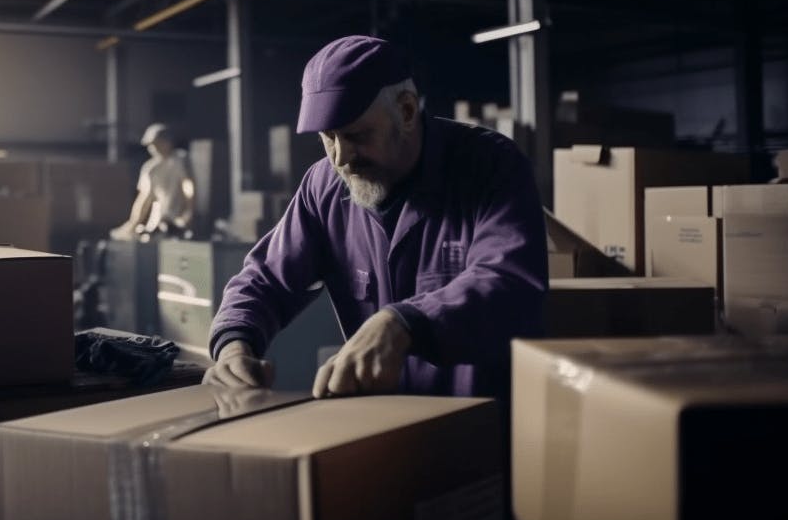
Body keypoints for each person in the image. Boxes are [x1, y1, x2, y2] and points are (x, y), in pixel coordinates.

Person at [202, 35, 547, 400]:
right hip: (378, 427)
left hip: (478, 426)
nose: (340, 157)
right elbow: (266, 278)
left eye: (357, 135)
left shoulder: (490, 165)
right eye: (328, 137)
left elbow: (509, 281)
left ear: (408, 110)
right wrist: (234, 344)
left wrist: (404, 324)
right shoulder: (323, 187)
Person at [110, 122, 195, 240]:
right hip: (159, 221)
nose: (154, 148)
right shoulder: (150, 168)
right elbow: (144, 199)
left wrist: (188, 212)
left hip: (178, 220)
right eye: (152, 145)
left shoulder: (180, 159)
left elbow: (187, 186)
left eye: (157, 143)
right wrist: (133, 224)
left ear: (168, 142)